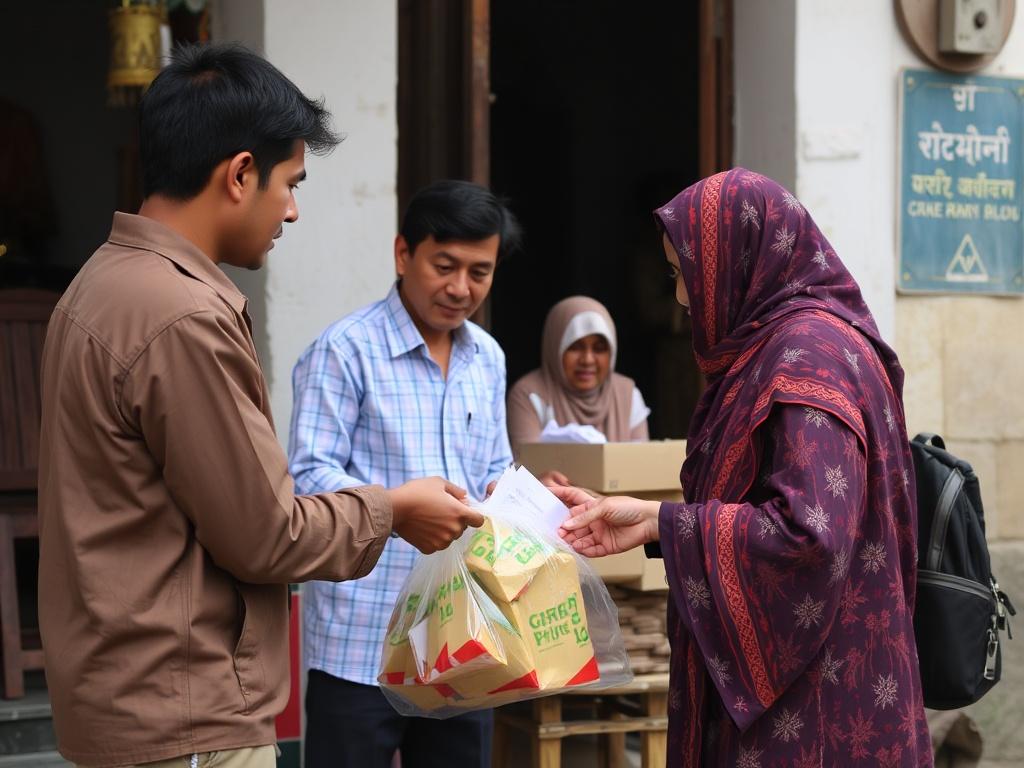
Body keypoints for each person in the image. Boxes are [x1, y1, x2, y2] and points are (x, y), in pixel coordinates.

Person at [36, 45, 482, 768]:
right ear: (240, 173)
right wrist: (394, 510)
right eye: (291, 183)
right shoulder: (181, 313)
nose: (294, 212)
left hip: (126, 700)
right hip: (182, 714)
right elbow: (266, 534)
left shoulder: (100, 283)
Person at [553, 168, 933, 765]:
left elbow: (808, 535)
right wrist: (657, 525)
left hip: (815, 713)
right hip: (827, 688)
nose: (682, 298)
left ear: (739, 261)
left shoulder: (805, 359)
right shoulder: (802, 344)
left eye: (684, 275)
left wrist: (661, 522)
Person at [288, 179, 520, 768]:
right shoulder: (343, 351)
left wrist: (510, 492)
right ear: (402, 254)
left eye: (480, 272)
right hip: (360, 637)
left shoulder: (486, 358)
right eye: (444, 266)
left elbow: (493, 465)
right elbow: (309, 480)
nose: (460, 288)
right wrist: (396, 510)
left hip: (463, 634)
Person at [506, 296, 650, 450]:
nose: (587, 360)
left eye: (599, 348)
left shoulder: (627, 395)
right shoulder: (529, 395)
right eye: (575, 346)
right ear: (555, 346)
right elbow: (528, 466)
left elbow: (641, 464)